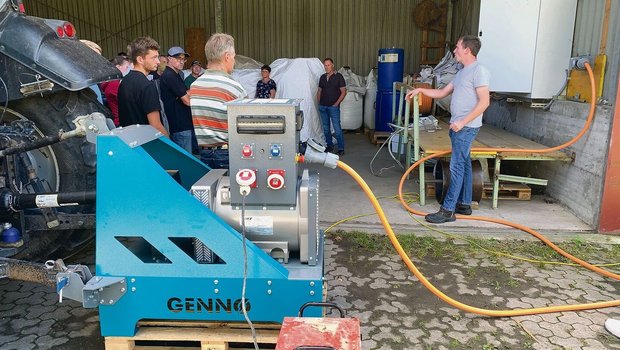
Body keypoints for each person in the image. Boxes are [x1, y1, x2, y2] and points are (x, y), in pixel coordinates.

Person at [405, 35, 490, 224]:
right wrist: (421, 90)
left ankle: (448, 210)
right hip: (458, 126)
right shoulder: (462, 73)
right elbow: (442, 92)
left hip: (465, 127)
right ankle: (465, 204)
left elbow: (485, 102)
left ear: (467, 50)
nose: (455, 50)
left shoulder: (479, 71)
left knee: (457, 166)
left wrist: (463, 122)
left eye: (458, 47)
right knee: (465, 164)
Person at [190, 33, 246, 169]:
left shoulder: (195, 85)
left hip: (204, 154)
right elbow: (244, 127)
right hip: (228, 154)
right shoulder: (234, 88)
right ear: (227, 57)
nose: (234, 61)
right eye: (233, 57)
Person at [118, 36, 169, 136]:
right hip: (147, 143)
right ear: (140, 59)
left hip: (130, 141)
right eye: (154, 57)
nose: (158, 62)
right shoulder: (147, 86)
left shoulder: (124, 81)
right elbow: (156, 126)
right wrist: (171, 148)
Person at [159, 46, 195, 153]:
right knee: (187, 161)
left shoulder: (176, 74)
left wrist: (187, 93)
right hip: (180, 126)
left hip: (180, 124)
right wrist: (194, 90)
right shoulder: (170, 75)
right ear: (169, 59)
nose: (181, 62)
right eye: (178, 58)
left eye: (183, 59)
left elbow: (183, 93)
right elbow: (187, 101)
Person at [317, 57, 346, 155]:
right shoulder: (322, 77)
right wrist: (319, 102)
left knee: (337, 129)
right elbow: (319, 91)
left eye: (328, 65)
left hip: (333, 107)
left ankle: (341, 148)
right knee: (326, 129)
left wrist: (336, 104)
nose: (327, 67)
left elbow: (343, 92)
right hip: (323, 107)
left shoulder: (339, 77)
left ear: (332, 65)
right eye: (325, 65)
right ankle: (329, 145)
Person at [100, 55, 132, 126]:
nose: (129, 70)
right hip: (121, 121)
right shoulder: (114, 84)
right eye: (127, 67)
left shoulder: (114, 82)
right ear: (118, 67)